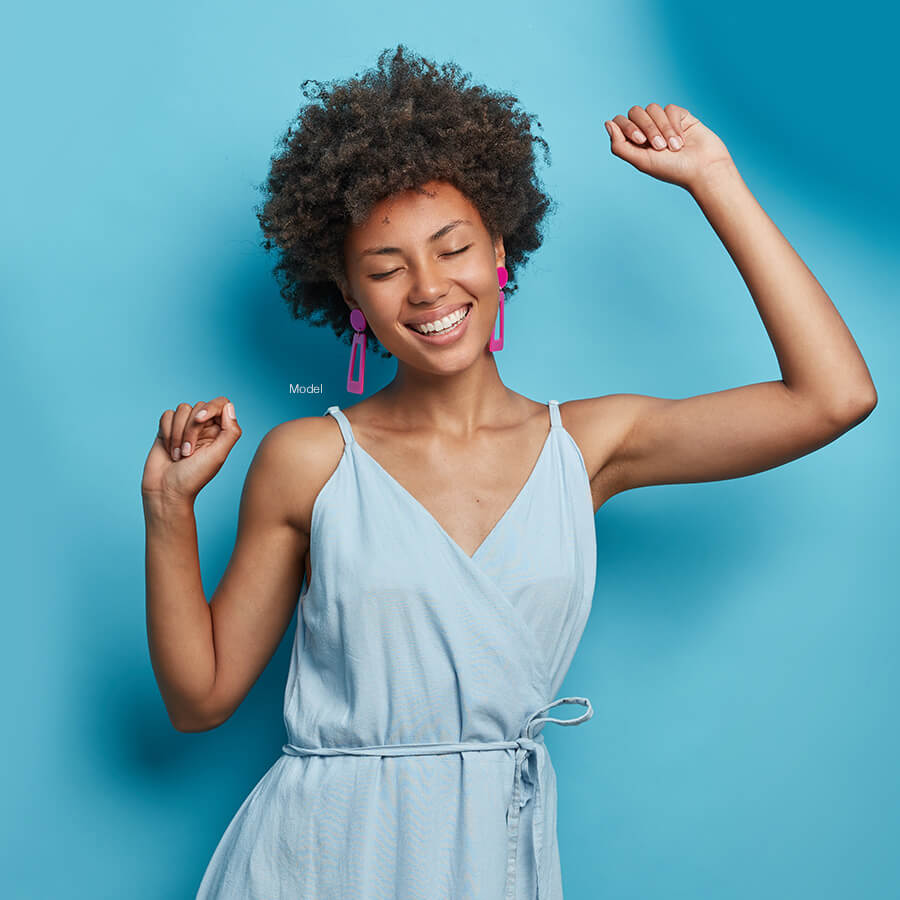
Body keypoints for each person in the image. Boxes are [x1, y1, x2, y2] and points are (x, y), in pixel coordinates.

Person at [141, 43, 877, 900]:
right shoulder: (308, 460)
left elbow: (834, 397)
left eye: (452, 248)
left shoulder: (591, 444)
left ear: (501, 251)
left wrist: (714, 179)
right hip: (319, 856)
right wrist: (167, 507)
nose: (426, 288)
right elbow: (200, 700)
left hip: (493, 854)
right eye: (384, 269)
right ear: (349, 297)